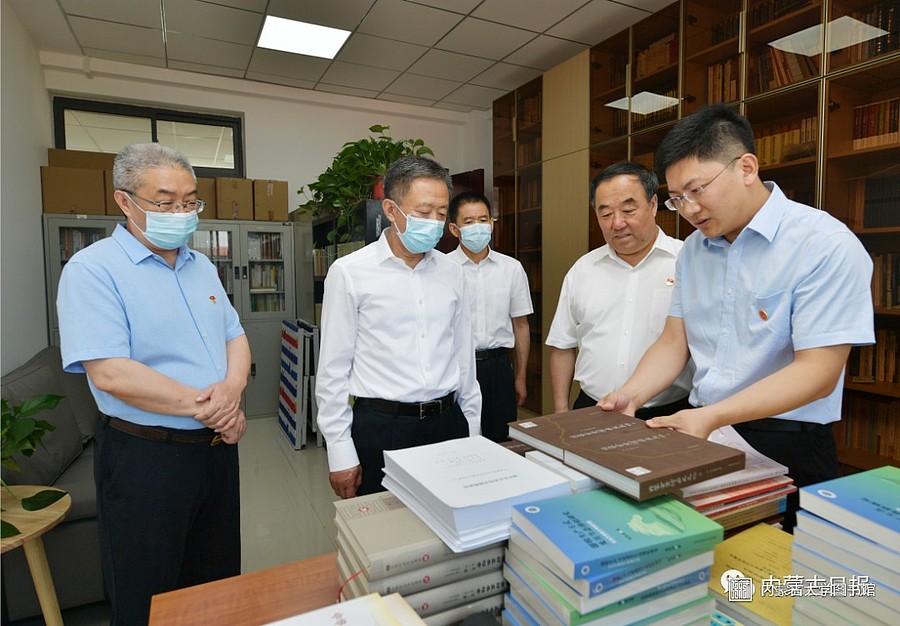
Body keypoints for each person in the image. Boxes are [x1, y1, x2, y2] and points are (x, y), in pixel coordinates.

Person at [601, 105, 874, 531]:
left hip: (785, 441)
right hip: (704, 430)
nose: (689, 209)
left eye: (697, 190)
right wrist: (631, 395)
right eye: (677, 198)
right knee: (705, 554)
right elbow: (674, 341)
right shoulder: (694, 250)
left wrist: (713, 417)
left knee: (777, 566)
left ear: (746, 167)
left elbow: (819, 372)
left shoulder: (824, 244)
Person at [56, 142, 251, 624]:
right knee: (146, 595)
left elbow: (235, 336)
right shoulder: (92, 270)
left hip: (216, 451)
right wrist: (212, 408)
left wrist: (231, 393)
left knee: (216, 586)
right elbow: (111, 372)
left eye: (190, 202)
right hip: (146, 457)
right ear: (124, 201)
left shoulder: (201, 265)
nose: (181, 214)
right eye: (165, 203)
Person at [316, 155, 481, 499]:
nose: (434, 223)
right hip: (382, 427)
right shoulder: (350, 273)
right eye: (423, 212)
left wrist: (472, 429)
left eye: (441, 213)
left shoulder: (452, 273)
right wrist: (340, 451)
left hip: (447, 422)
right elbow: (333, 369)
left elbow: (463, 357)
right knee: (386, 527)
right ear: (391, 210)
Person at [547, 162, 691, 418]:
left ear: (654, 205)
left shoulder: (687, 261)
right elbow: (563, 344)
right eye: (605, 214)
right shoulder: (583, 270)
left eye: (628, 210)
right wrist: (561, 409)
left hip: (669, 411)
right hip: (592, 407)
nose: (617, 223)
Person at [446, 191, 533, 442]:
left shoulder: (511, 268)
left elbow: (521, 325)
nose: (478, 227)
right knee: (458, 438)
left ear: (492, 224)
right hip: (456, 366)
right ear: (454, 229)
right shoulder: (442, 268)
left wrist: (520, 377)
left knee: (502, 440)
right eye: (469, 221)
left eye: (483, 220)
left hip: (498, 366)